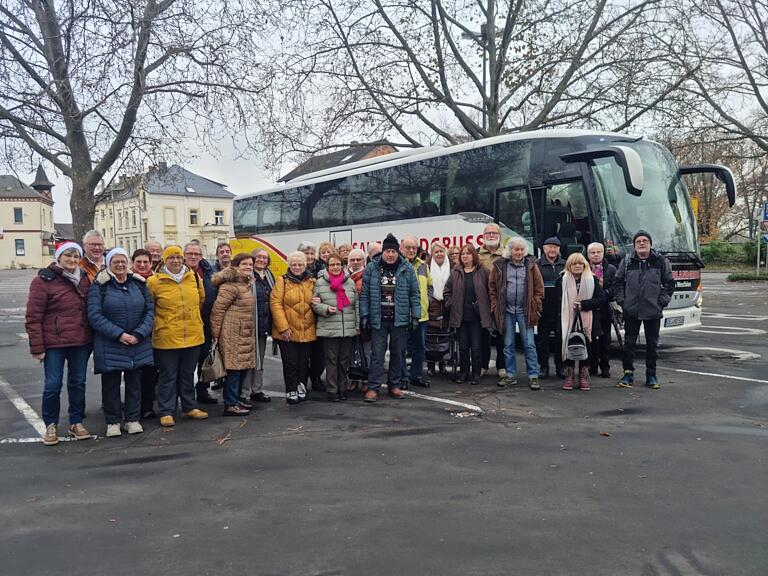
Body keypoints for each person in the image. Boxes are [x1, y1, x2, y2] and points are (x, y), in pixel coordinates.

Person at [26, 242, 93, 445]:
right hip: (54, 342)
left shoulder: (84, 279)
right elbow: (33, 316)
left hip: (80, 341)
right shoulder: (43, 280)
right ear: (59, 257)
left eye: (75, 256)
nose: (72, 260)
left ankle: (76, 421)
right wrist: (37, 347)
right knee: (53, 385)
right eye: (68, 256)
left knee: (78, 383)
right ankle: (50, 424)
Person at [88, 248, 154, 436]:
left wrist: (139, 334)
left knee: (135, 383)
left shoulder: (138, 284)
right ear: (109, 263)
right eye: (115, 261)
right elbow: (95, 315)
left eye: (123, 261)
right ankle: (113, 421)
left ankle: (132, 419)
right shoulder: (100, 286)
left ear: (128, 263)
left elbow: (149, 311)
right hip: (111, 342)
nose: (120, 264)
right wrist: (119, 335)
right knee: (111, 384)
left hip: (137, 341)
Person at [147, 246, 209, 427]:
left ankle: (189, 406)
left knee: (188, 374)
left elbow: (201, 299)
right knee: (168, 375)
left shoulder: (194, 278)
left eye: (178, 257)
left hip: (192, 334)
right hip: (167, 336)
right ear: (164, 260)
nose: (175, 260)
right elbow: (149, 307)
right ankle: (166, 410)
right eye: (171, 257)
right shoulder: (154, 281)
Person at [359, 233, 420, 403]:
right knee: (377, 354)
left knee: (397, 353)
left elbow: (415, 294)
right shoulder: (372, 268)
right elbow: (364, 294)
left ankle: (394, 385)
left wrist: (415, 315)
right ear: (383, 252)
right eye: (388, 251)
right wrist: (364, 315)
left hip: (399, 320)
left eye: (393, 251)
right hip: (378, 319)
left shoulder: (407, 268)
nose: (391, 255)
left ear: (397, 252)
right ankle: (373, 388)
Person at [614, 230, 675, 389]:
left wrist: (661, 302)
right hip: (631, 310)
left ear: (650, 244)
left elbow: (669, 284)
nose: (641, 243)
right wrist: (622, 301)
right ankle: (628, 374)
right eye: (638, 241)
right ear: (634, 245)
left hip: (652, 310)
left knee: (652, 345)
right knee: (628, 344)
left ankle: (651, 375)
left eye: (645, 241)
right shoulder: (627, 261)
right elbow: (618, 282)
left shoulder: (661, 261)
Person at [489, 237, 544, 390]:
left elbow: (539, 288)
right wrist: (495, 304)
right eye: (516, 249)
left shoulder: (531, 265)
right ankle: (511, 375)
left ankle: (533, 375)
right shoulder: (500, 265)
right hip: (506, 311)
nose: (519, 252)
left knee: (529, 344)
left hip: (525, 311)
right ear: (510, 250)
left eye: (521, 249)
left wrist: (536, 304)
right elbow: (492, 286)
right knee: (508, 344)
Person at [210, 253, 257, 416]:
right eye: (244, 264)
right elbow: (218, 310)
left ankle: (236, 400)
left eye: (250, 264)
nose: (248, 267)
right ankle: (230, 404)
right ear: (235, 266)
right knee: (234, 369)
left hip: (243, 331)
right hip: (232, 332)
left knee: (241, 367)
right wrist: (215, 334)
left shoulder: (244, 283)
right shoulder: (230, 285)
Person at [270, 251, 317, 404]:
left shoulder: (312, 282)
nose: (297, 267)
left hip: (307, 329)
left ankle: (301, 386)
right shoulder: (281, 281)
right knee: (290, 362)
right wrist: (283, 327)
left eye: (300, 264)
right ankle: (291, 389)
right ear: (289, 265)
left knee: (304, 362)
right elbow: (275, 304)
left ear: (305, 265)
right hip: (287, 331)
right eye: (294, 264)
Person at [312, 252, 359, 401]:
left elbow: (356, 305)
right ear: (327, 267)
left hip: (347, 327)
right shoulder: (320, 283)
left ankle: (343, 388)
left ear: (343, 266)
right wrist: (325, 309)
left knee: (344, 360)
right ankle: (332, 390)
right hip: (329, 327)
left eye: (338, 264)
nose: (335, 267)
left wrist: (357, 325)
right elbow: (314, 303)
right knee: (331, 360)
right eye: (332, 265)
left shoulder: (350, 282)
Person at [443, 245, 493, 384]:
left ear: (474, 256)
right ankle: (463, 372)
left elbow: (491, 291)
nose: (465, 256)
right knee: (463, 347)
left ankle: (476, 374)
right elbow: (447, 291)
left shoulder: (483, 271)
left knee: (476, 347)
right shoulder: (456, 272)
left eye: (468, 254)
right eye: (463, 254)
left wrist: (487, 307)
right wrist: (451, 303)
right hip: (461, 316)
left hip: (477, 317)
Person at [559, 253, 606, 391]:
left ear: (585, 265)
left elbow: (601, 299)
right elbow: (557, 300)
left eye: (580, 263)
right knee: (569, 345)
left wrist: (583, 304)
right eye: (574, 263)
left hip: (587, 320)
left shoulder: (592, 279)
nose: (578, 266)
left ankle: (583, 376)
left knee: (587, 347)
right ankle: (569, 375)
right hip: (567, 319)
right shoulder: (562, 280)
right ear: (569, 266)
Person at [183, 242, 219, 404]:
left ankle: (203, 390)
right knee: (188, 362)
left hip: (206, 322)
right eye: (190, 253)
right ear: (184, 255)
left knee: (205, 359)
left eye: (196, 254)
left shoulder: (208, 271)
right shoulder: (180, 271)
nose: (193, 256)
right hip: (187, 324)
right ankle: (187, 396)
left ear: (201, 256)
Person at [239, 249, 275, 405]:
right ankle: (244, 393)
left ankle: (257, 390)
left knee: (260, 359)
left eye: (265, 258)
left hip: (263, 324)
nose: (262, 260)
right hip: (249, 324)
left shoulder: (269, 276)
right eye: (259, 257)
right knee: (249, 360)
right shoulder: (247, 276)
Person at [131, 249, 159, 418]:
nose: (142, 265)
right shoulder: (126, 279)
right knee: (135, 373)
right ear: (132, 263)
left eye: (145, 262)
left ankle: (147, 406)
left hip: (155, 331)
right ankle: (134, 406)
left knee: (151, 371)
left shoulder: (157, 280)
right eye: (138, 262)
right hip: (136, 332)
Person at [400, 235, 430, 388]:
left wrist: (427, 302)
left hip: (422, 316)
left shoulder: (424, 265)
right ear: (401, 248)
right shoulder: (398, 265)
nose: (411, 250)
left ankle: (416, 376)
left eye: (414, 248)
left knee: (420, 347)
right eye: (408, 247)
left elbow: (429, 286)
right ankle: (403, 378)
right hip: (403, 316)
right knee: (401, 348)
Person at [478, 223, 506, 379]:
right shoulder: (477, 254)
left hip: (501, 300)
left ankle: (502, 366)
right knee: (483, 335)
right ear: (483, 236)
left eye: (494, 233)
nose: (491, 235)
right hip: (482, 300)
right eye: (488, 233)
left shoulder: (506, 254)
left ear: (499, 235)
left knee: (502, 334)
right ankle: (483, 365)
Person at [536, 237, 566, 379]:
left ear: (559, 249)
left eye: (555, 247)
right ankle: (544, 367)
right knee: (543, 341)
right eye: (549, 247)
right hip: (543, 309)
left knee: (561, 340)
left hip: (561, 310)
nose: (552, 250)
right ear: (544, 248)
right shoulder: (537, 265)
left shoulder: (565, 265)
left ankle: (561, 367)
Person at [587, 242, 618, 378]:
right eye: (592, 252)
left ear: (603, 253)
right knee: (591, 340)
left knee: (605, 341)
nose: (596, 255)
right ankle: (591, 366)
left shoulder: (611, 269)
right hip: (589, 309)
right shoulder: (584, 268)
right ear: (588, 255)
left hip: (605, 309)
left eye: (598, 252)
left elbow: (616, 287)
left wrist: (604, 295)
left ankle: (605, 367)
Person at [426, 242, 451, 376]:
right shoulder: (426, 266)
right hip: (432, 306)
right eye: (436, 252)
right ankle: (430, 365)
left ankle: (443, 364)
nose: (439, 254)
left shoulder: (452, 266)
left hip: (446, 307)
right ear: (432, 254)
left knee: (444, 338)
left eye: (441, 251)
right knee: (430, 338)